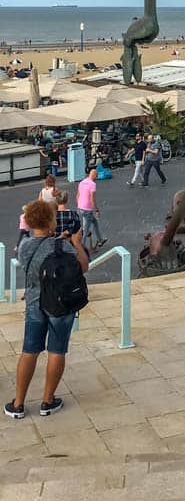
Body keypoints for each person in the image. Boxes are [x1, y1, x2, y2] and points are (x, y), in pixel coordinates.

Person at [4, 200, 89, 419]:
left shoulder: (24, 247)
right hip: (60, 305)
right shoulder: (63, 246)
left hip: (34, 303)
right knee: (57, 350)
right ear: (51, 221)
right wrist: (76, 243)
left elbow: (38, 257)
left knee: (29, 350)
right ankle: (47, 401)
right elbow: (83, 266)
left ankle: (18, 403)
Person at [76, 168, 106, 251]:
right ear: (95, 176)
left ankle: (101, 240)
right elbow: (92, 198)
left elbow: (77, 195)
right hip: (87, 209)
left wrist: (79, 206)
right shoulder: (92, 184)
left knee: (95, 222)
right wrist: (96, 209)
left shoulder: (82, 182)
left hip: (80, 208)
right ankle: (81, 247)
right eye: (96, 176)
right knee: (86, 229)